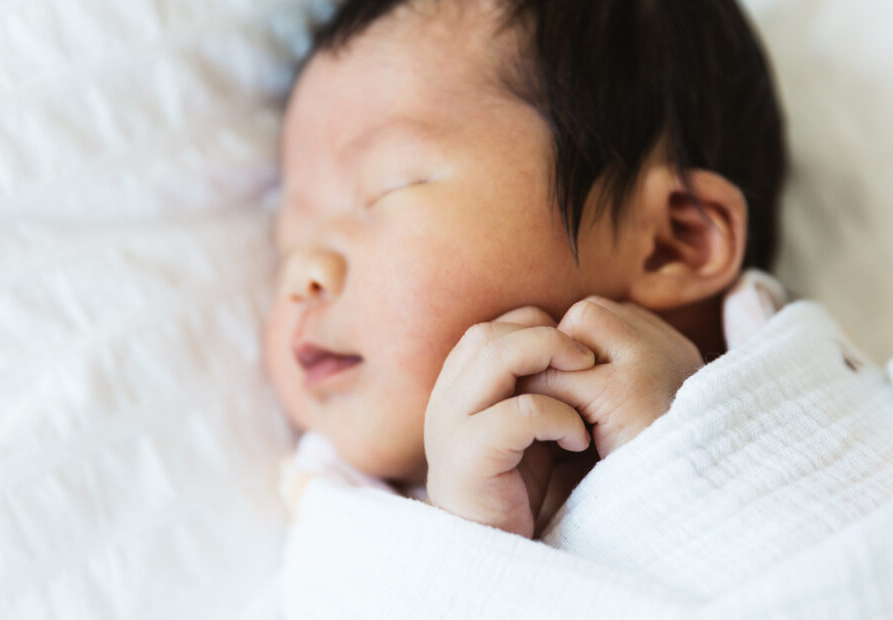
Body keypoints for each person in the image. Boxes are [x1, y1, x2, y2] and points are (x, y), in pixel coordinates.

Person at [264, 0, 786, 538]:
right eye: (289, 240)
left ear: (674, 242)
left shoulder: (800, 397)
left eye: (389, 188)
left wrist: (688, 457)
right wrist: (470, 545)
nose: (304, 271)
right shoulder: (342, 522)